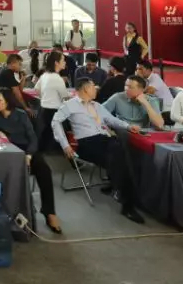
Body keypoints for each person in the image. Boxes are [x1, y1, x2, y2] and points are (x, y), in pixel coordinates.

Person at [52, 77, 144, 224]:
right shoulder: (69, 105)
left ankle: (122, 193)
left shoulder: (97, 105)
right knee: (120, 154)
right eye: (93, 86)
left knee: (125, 154)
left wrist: (128, 126)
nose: (96, 89)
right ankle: (127, 201)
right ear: (85, 88)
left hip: (104, 140)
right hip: (87, 144)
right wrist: (65, 145)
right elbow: (55, 122)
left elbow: (111, 119)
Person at [0, 89, 61, 234]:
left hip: (27, 150)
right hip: (9, 152)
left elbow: (33, 138)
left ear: (7, 101)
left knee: (44, 170)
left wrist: (29, 155)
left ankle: (49, 212)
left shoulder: (21, 115)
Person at [33, 50, 70, 150]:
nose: (65, 62)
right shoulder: (58, 78)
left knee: (44, 137)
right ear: (56, 63)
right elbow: (65, 98)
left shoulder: (45, 75)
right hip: (54, 112)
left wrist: (46, 96)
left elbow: (36, 89)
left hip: (43, 110)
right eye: (63, 60)